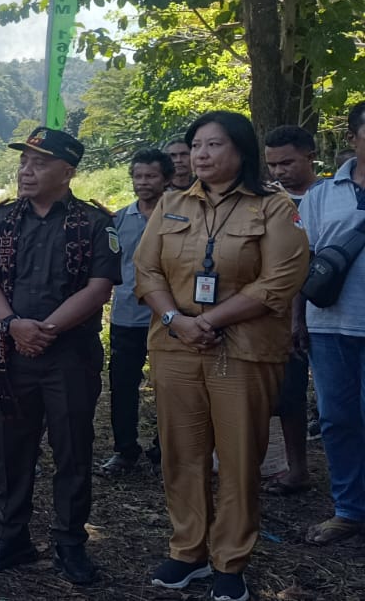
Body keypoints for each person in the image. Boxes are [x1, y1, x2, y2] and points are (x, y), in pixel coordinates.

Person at [134, 111, 308, 601]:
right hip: (175, 347)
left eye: (213, 145)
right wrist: (177, 320)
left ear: (240, 151)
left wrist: (210, 321)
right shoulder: (170, 204)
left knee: (238, 458)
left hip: (244, 351)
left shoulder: (274, 208)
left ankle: (230, 560)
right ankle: (187, 551)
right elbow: (146, 272)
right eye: (196, 146)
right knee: (182, 454)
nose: (201, 155)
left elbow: (280, 281)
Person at [0, 128, 120, 586]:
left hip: (69, 356)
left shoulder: (93, 223)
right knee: (12, 448)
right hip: (9, 352)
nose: (26, 170)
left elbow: (99, 288)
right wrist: (12, 326)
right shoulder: (0, 219)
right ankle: (11, 535)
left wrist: (47, 329)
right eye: (24, 162)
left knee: (72, 449)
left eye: (39, 162)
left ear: (67, 171)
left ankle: (69, 541)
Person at [298, 101, 365, 546]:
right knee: (337, 418)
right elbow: (300, 262)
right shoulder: (321, 195)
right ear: (353, 137)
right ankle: (349, 510)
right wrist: (294, 320)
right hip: (329, 325)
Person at [101, 149, 173, 477]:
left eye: (151, 176)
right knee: (123, 384)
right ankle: (125, 450)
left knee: (169, 386)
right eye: (138, 176)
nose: (143, 182)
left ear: (166, 179)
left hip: (170, 317)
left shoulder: (181, 216)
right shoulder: (118, 220)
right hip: (126, 315)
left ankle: (165, 450)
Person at [263, 124, 320, 496]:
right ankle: (295, 467)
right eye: (273, 164)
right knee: (288, 395)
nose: (280, 171)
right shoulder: (266, 200)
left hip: (333, 309)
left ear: (310, 155)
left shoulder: (330, 196)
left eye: (288, 162)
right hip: (281, 312)